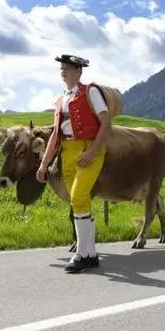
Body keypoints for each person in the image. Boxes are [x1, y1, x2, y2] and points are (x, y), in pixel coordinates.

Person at [36, 54, 112, 273]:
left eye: (68, 67)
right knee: (78, 201)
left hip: (89, 148)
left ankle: (80, 254)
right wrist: (44, 164)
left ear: (79, 71)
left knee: (79, 196)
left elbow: (106, 123)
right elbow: (54, 137)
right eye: (62, 68)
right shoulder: (60, 100)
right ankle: (91, 254)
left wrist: (92, 151)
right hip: (67, 151)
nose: (63, 71)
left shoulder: (91, 91)